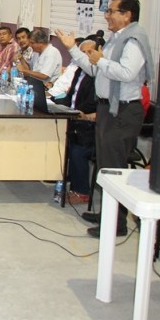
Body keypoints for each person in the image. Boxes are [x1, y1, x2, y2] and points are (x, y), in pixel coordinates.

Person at [56, 0, 155, 238]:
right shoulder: (116, 39)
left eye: (111, 11)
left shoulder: (133, 40)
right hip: (108, 108)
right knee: (105, 165)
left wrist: (101, 61)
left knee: (115, 167)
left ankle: (117, 224)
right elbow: (95, 70)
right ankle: (108, 213)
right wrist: (73, 49)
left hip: (122, 111)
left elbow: (127, 73)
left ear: (127, 15)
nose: (107, 15)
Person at [53, 39, 98, 205]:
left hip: (90, 124)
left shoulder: (98, 76)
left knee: (77, 150)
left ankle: (82, 191)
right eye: (82, 53)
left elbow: (93, 104)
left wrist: (75, 113)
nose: (85, 56)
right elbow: (70, 95)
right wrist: (54, 103)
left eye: (89, 52)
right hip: (75, 117)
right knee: (59, 137)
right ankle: (65, 177)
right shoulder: (79, 71)